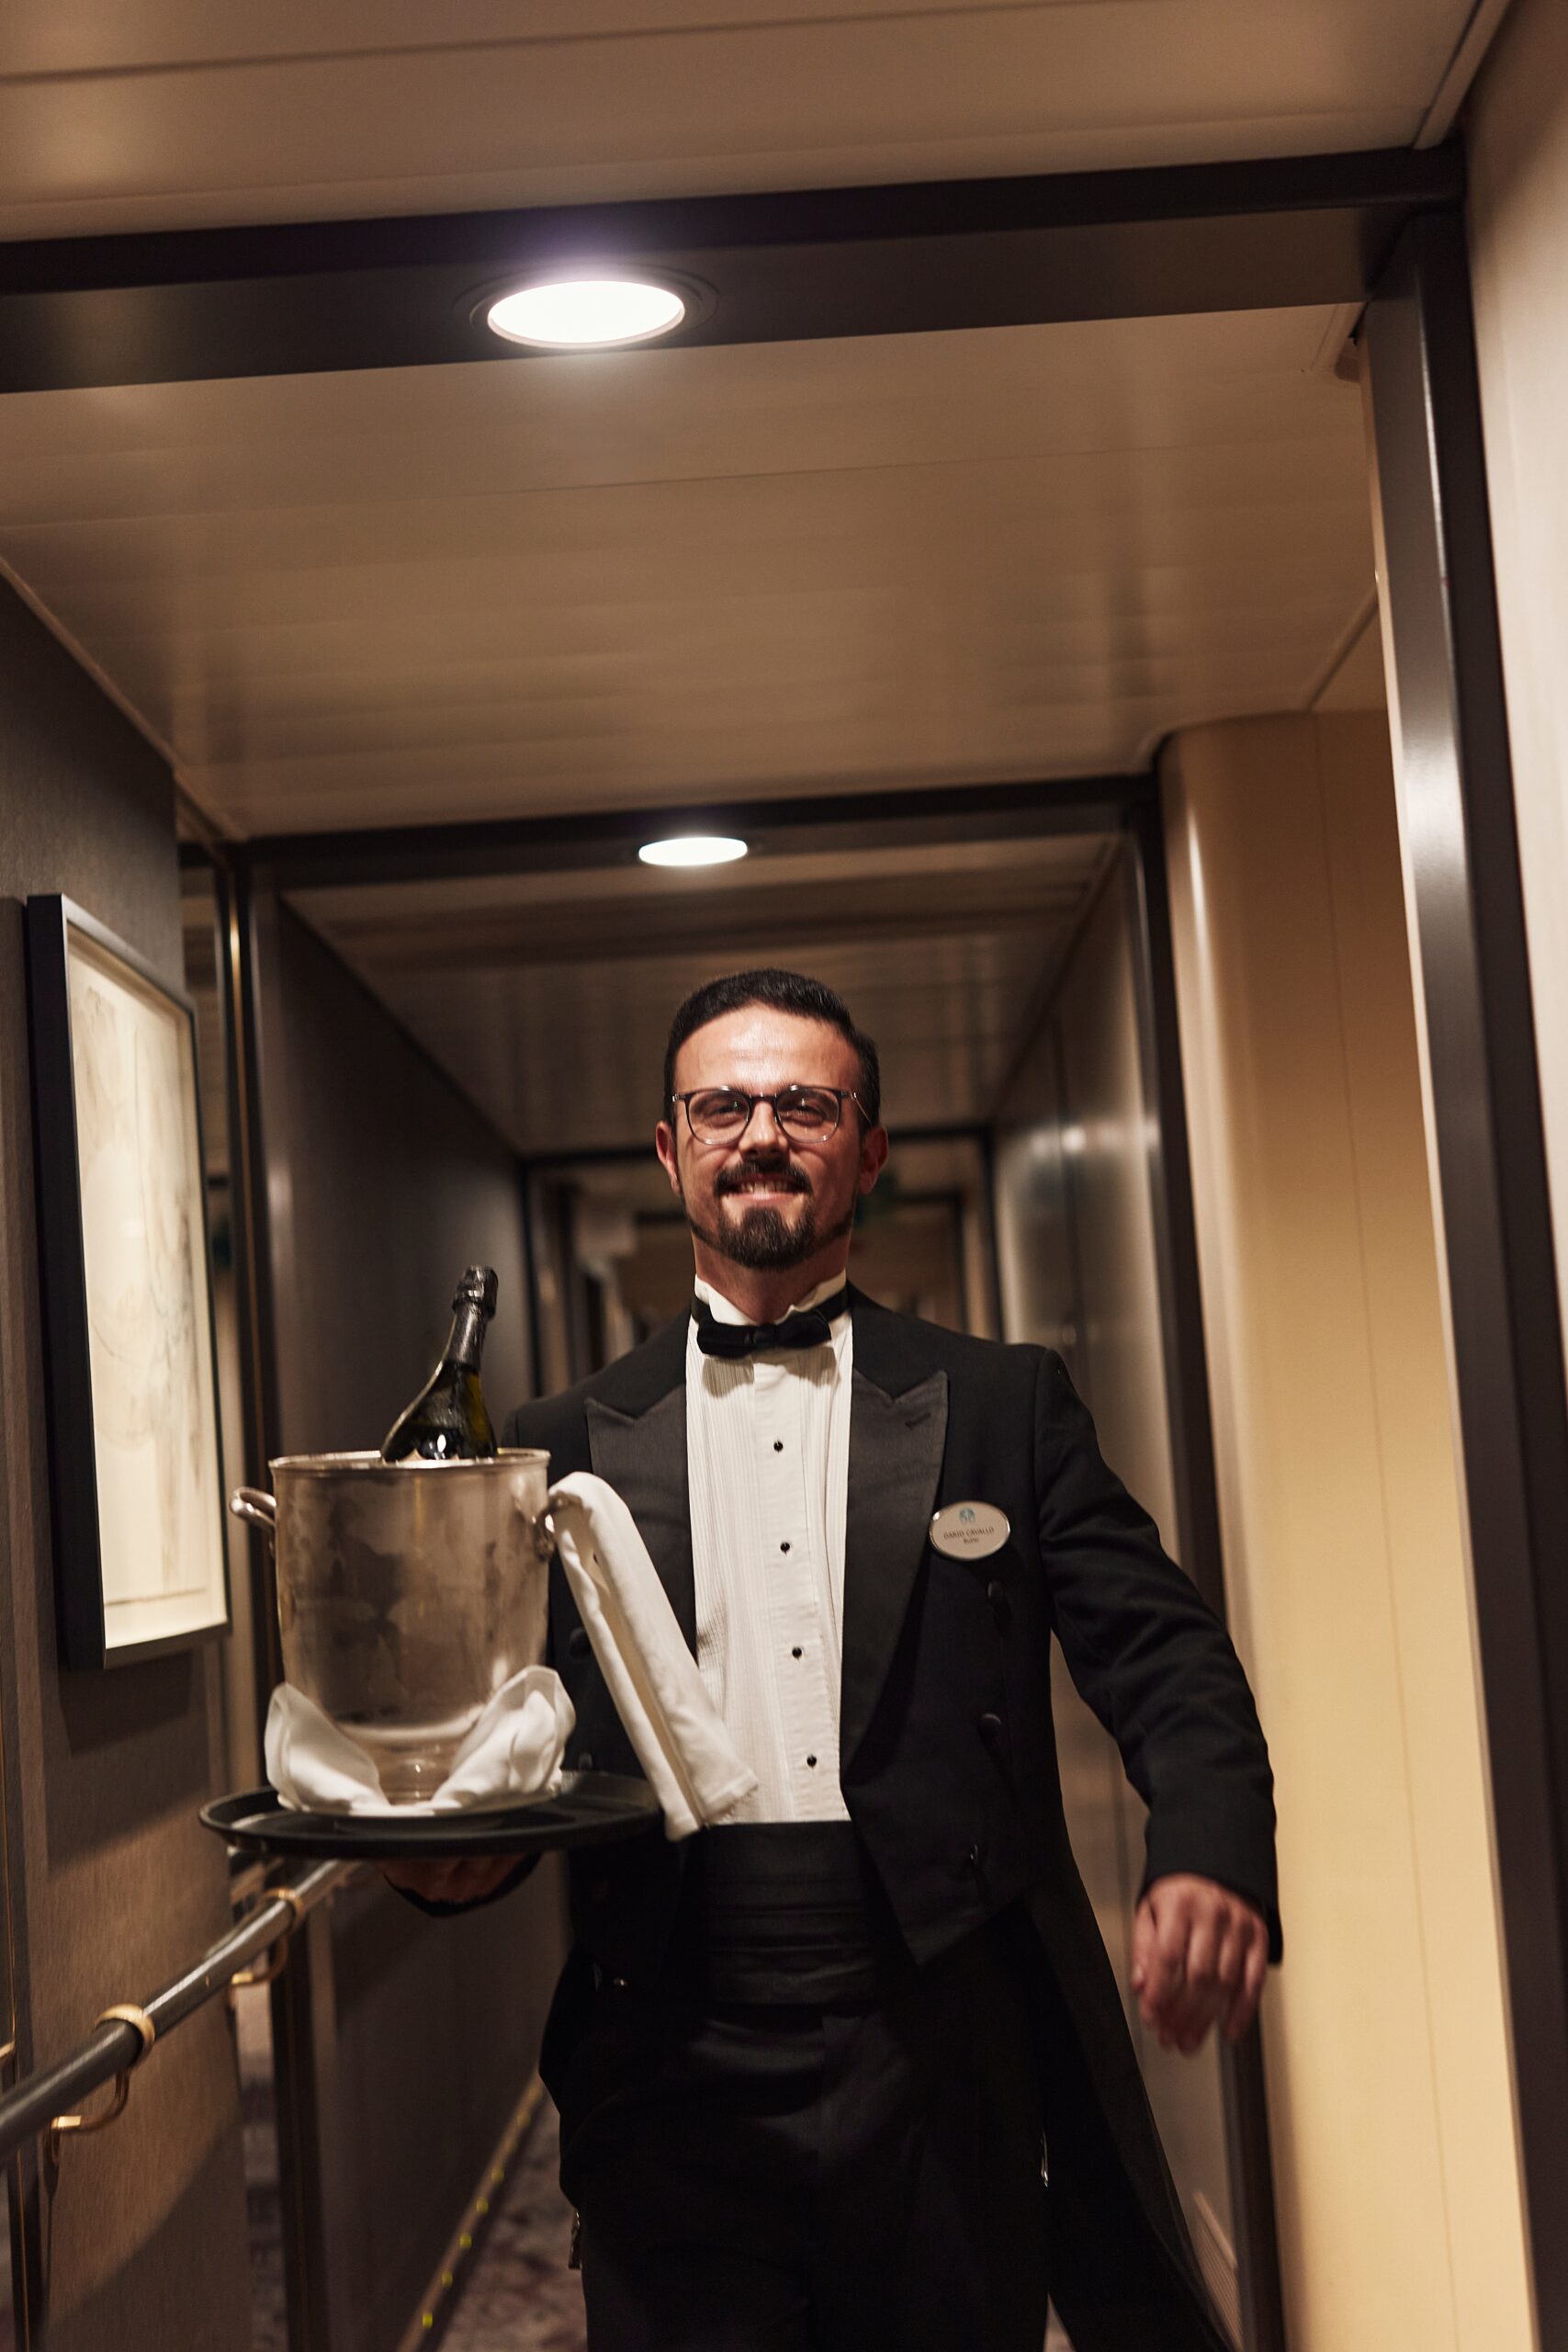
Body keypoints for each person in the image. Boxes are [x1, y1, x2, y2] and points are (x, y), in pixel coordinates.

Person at [389, 967, 1278, 2352]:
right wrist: (447, 1858)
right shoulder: (559, 1442)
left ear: (869, 1148)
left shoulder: (1002, 1404)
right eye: (722, 1106)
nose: (761, 1133)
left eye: (805, 1104)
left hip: (943, 2048)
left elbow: (1166, 1654)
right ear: (670, 1148)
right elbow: (498, 1732)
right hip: (668, 2048)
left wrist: (1208, 1848)